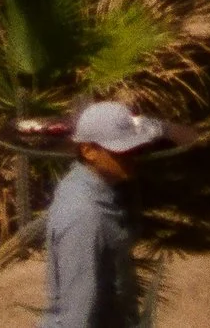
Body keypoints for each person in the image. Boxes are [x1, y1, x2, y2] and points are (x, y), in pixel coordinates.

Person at [37, 99, 166, 328]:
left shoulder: (90, 187)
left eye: (134, 148)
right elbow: (78, 311)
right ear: (88, 151)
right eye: (121, 150)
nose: (131, 155)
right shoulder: (85, 216)